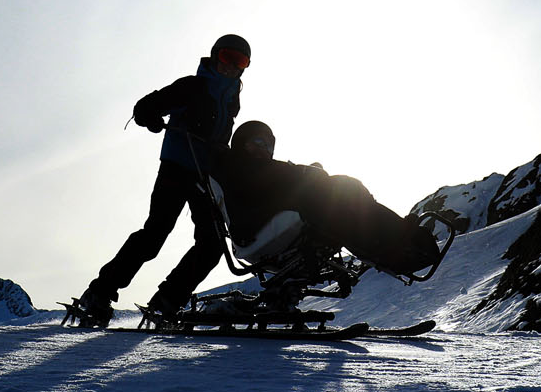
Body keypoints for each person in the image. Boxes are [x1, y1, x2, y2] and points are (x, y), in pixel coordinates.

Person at [73, 34, 250, 327]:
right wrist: (151, 118)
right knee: (155, 235)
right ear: (216, 56)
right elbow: (145, 107)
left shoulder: (232, 100)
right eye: (227, 57)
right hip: (177, 168)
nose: (231, 66)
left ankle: (167, 301)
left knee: (212, 244)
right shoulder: (192, 86)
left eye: (240, 61)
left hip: (205, 176)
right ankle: (99, 293)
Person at [212, 120, 441, 277]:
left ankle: (391, 239)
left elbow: (280, 180)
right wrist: (307, 174)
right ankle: (394, 240)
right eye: (257, 142)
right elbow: (278, 177)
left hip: (271, 218)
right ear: (242, 145)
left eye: (269, 143)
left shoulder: (258, 169)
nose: (265, 148)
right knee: (341, 188)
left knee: (344, 189)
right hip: (254, 229)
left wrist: (308, 174)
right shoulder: (240, 166)